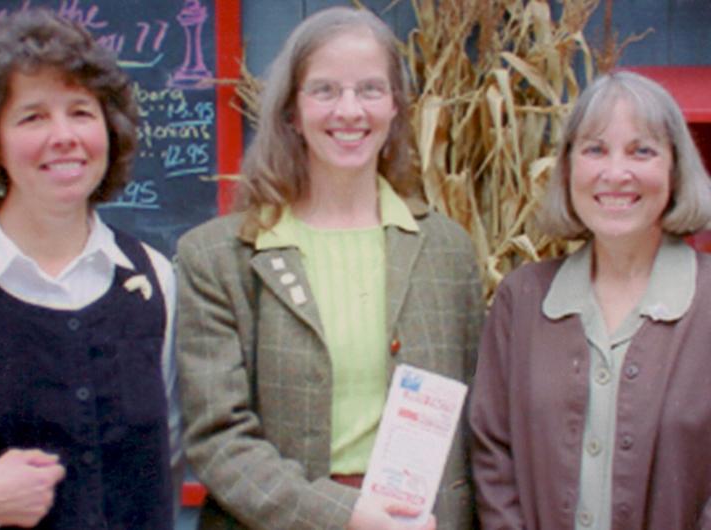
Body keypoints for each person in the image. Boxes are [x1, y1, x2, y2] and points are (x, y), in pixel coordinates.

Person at [175, 6, 483, 530]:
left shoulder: (447, 250)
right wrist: (343, 515)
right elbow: (218, 439)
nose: (349, 110)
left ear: (394, 108)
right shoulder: (217, 257)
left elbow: (475, 422)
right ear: (292, 112)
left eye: (369, 89)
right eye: (324, 90)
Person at [0, 8, 182, 529]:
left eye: (81, 112)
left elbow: (166, 455)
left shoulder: (151, 279)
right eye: (32, 116)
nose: (63, 136)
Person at [469, 70, 711, 530]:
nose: (615, 173)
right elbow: (492, 454)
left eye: (642, 151)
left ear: (676, 169)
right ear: (567, 168)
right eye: (595, 149)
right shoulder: (521, 301)